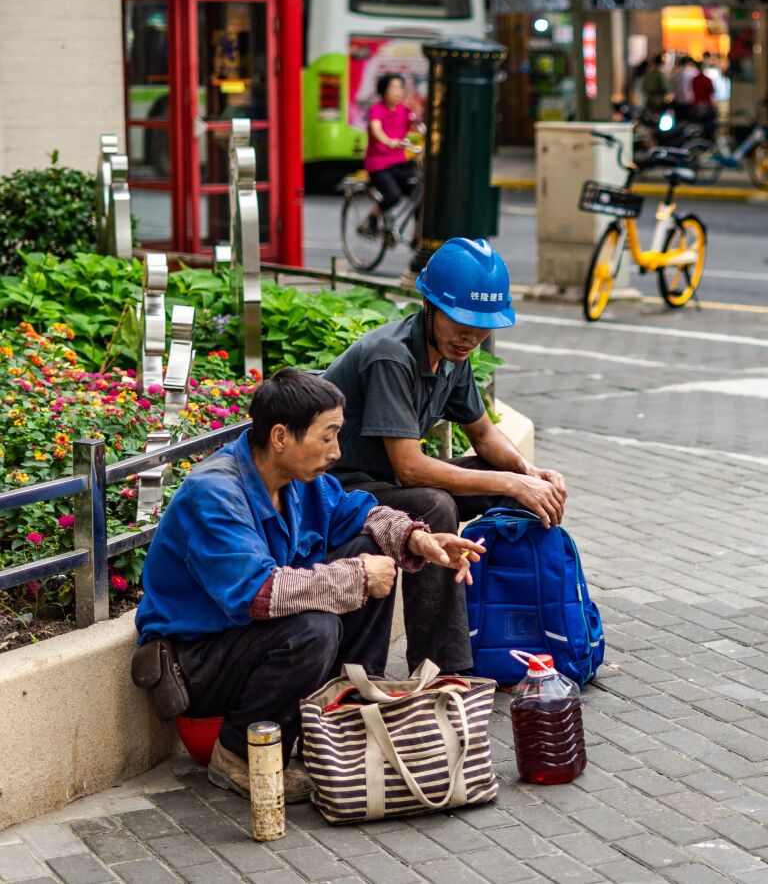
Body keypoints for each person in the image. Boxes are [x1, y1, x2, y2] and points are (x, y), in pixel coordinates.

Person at [134, 368, 485, 802]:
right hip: (199, 660)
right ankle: (238, 753)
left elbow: (365, 513)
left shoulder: (301, 482)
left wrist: (419, 539)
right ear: (281, 436)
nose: (336, 451)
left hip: (249, 639)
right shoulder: (215, 494)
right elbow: (259, 592)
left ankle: (348, 716)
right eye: (328, 436)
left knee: (372, 548)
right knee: (316, 627)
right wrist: (357, 576)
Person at [322, 237, 567, 676]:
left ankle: (513, 637)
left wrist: (529, 475)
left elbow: (485, 434)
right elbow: (410, 468)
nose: (471, 336)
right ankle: (441, 669)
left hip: (393, 485)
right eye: (460, 320)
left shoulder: (454, 356)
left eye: (483, 325)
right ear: (429, 305)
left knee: (519, 492)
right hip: (346, 489)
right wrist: (512, 482)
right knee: (436, 506)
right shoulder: (391, 356)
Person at [363, 74, 420, 233]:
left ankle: (417, 234)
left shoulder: (405, 111)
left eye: (400, 88)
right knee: (393, 195)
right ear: (383, 90)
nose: (398, 92)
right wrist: (388, 141)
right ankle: (374, 216)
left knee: (421, 194)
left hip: (400, 161)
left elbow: (418, 127)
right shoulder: (376, 110)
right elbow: (376, 128)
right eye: (393, 88)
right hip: (378, 164)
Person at [641, 52, 671, 117]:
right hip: (659, 102)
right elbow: (665, 86)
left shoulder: (649, 73)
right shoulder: (660, 73)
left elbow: (644, 87)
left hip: (650, 101)